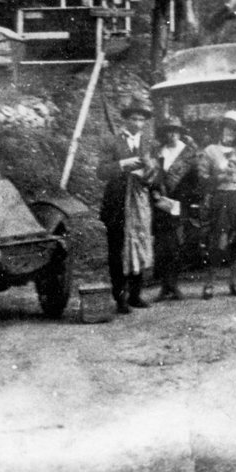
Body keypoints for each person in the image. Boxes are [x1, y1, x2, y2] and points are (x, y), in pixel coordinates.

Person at [97, 97, 156, 313]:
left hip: (140, 203)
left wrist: (149, 174)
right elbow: (101, 171)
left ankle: (136, 295)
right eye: (133, 118)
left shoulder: (149, 143)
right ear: (126, 120)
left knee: (139, 244)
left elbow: (157, 173)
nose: (137, 123)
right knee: (118, 250)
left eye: (141, 119)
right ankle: (120, 297)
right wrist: (122, 164)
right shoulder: (112, 142)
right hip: (117, 203)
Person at [197, 110, 236, 298]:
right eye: (227, 128)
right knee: (218, 240)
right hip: (220, 197)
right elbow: (202, 178)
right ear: (220, 129)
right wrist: (220, 177)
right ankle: (210, 283)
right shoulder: (210, 151)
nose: (229, 133)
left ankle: (234, 281)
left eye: (234, 130)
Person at [149, 117, 201, 301]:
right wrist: (155, 193)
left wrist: (186, 199)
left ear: (180, 133)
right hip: (161, 203)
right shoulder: (158, 152)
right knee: (162, 245)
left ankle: (174, 284)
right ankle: (165, 286)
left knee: (177, 244)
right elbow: (152, 177)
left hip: (180, 203)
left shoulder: (189, 154)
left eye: (175, 131)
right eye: (168, 131)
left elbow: (196, 181)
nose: (172, 135)